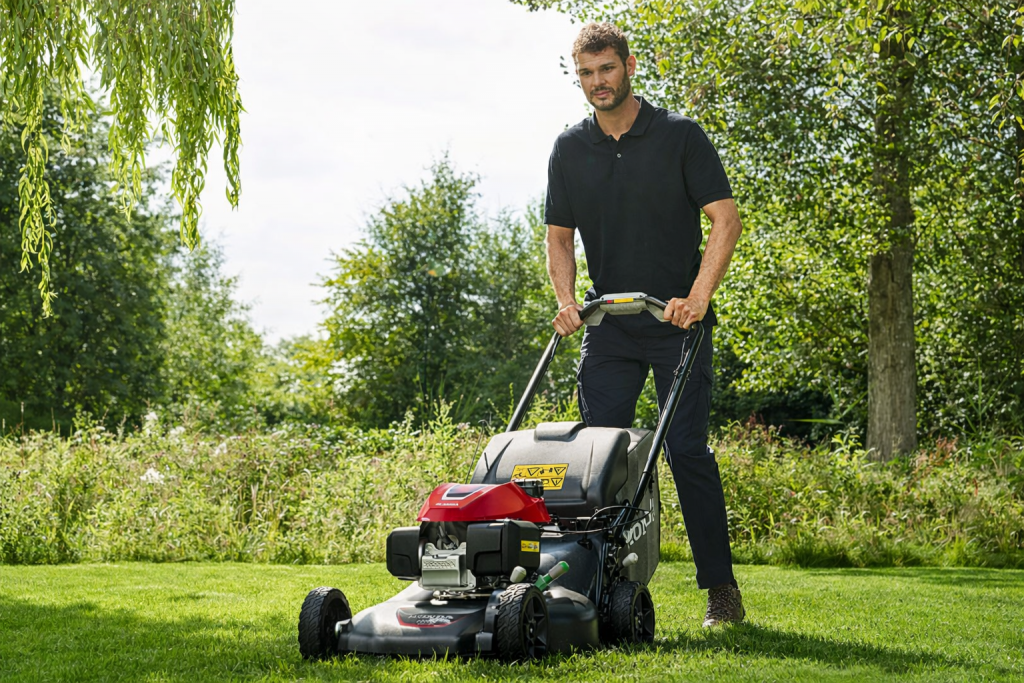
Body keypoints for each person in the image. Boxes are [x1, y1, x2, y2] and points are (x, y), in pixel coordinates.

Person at [544, 22, 745, 627]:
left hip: (675, 323)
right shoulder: (569, 148)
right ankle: (592, 588)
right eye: (585, 73)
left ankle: (721, 591)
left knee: (685, 450)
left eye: (606, 68)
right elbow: (559, 238)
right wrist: (567, 301)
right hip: (608, 324)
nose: (597, 82)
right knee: (598, 458)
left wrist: (698, 297)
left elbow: (726, 219)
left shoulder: (679, 136)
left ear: (629, 66)